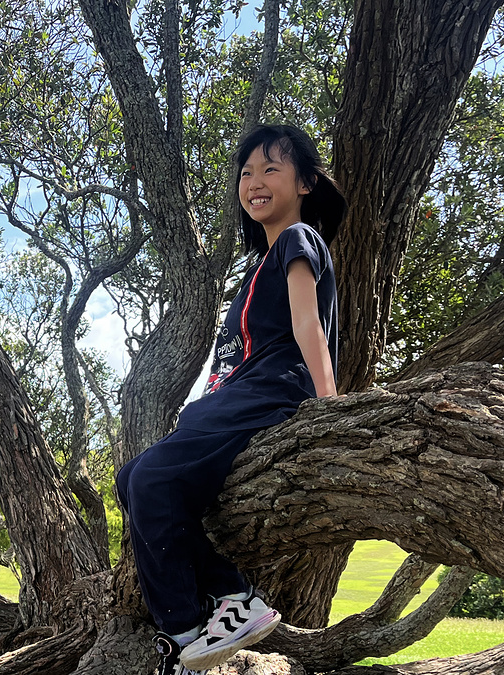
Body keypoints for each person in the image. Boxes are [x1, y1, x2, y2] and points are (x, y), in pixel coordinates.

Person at [116, 124, 344, 675]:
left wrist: (332, 406)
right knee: (132, 481)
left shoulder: (298, 239)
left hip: (275, 386)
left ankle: (189, 626)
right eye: (246, 173)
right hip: (244, 391)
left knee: (148, 480)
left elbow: (307, 324)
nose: (255, 182)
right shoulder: (255, 267)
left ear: (306, 182)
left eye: (271, 168)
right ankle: (219, 606)